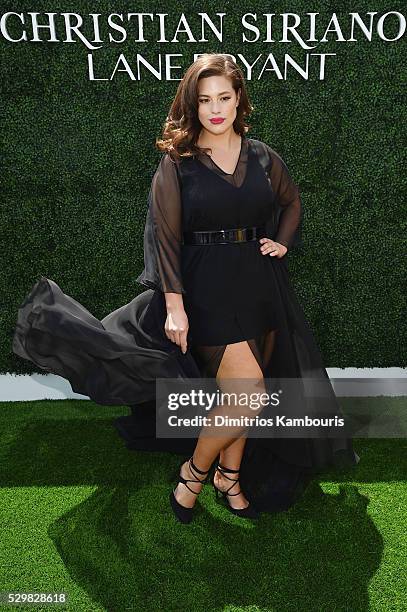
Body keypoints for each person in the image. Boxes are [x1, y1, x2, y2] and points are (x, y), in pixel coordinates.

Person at [12, 53, 359, 524]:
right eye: (204, 100)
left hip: (261, 285)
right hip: (205, 285)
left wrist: (282, 241)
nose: (215, 109)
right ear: (192, 106)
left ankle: (229, 477)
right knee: (250, 391)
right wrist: (175, 304)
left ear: (239, 101)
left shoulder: (262, 156)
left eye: (224, 97)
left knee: (243, 394)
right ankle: (193, 474)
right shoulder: (178, 164)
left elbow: (291, 201)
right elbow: (165, 236)